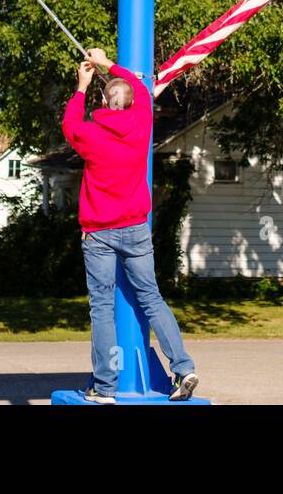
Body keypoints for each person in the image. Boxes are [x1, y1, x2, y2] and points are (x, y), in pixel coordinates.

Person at [62, 46, 198, 403]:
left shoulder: (91, 134)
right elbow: (141, 90)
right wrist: (107, 63)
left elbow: (69, 125)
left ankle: (105, 387)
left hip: (99, 232)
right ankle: (184, 367)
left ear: (105, 104)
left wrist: (81, 85)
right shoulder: (142, 123)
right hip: (136, 227)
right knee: (151, 297)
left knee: (102, 307)